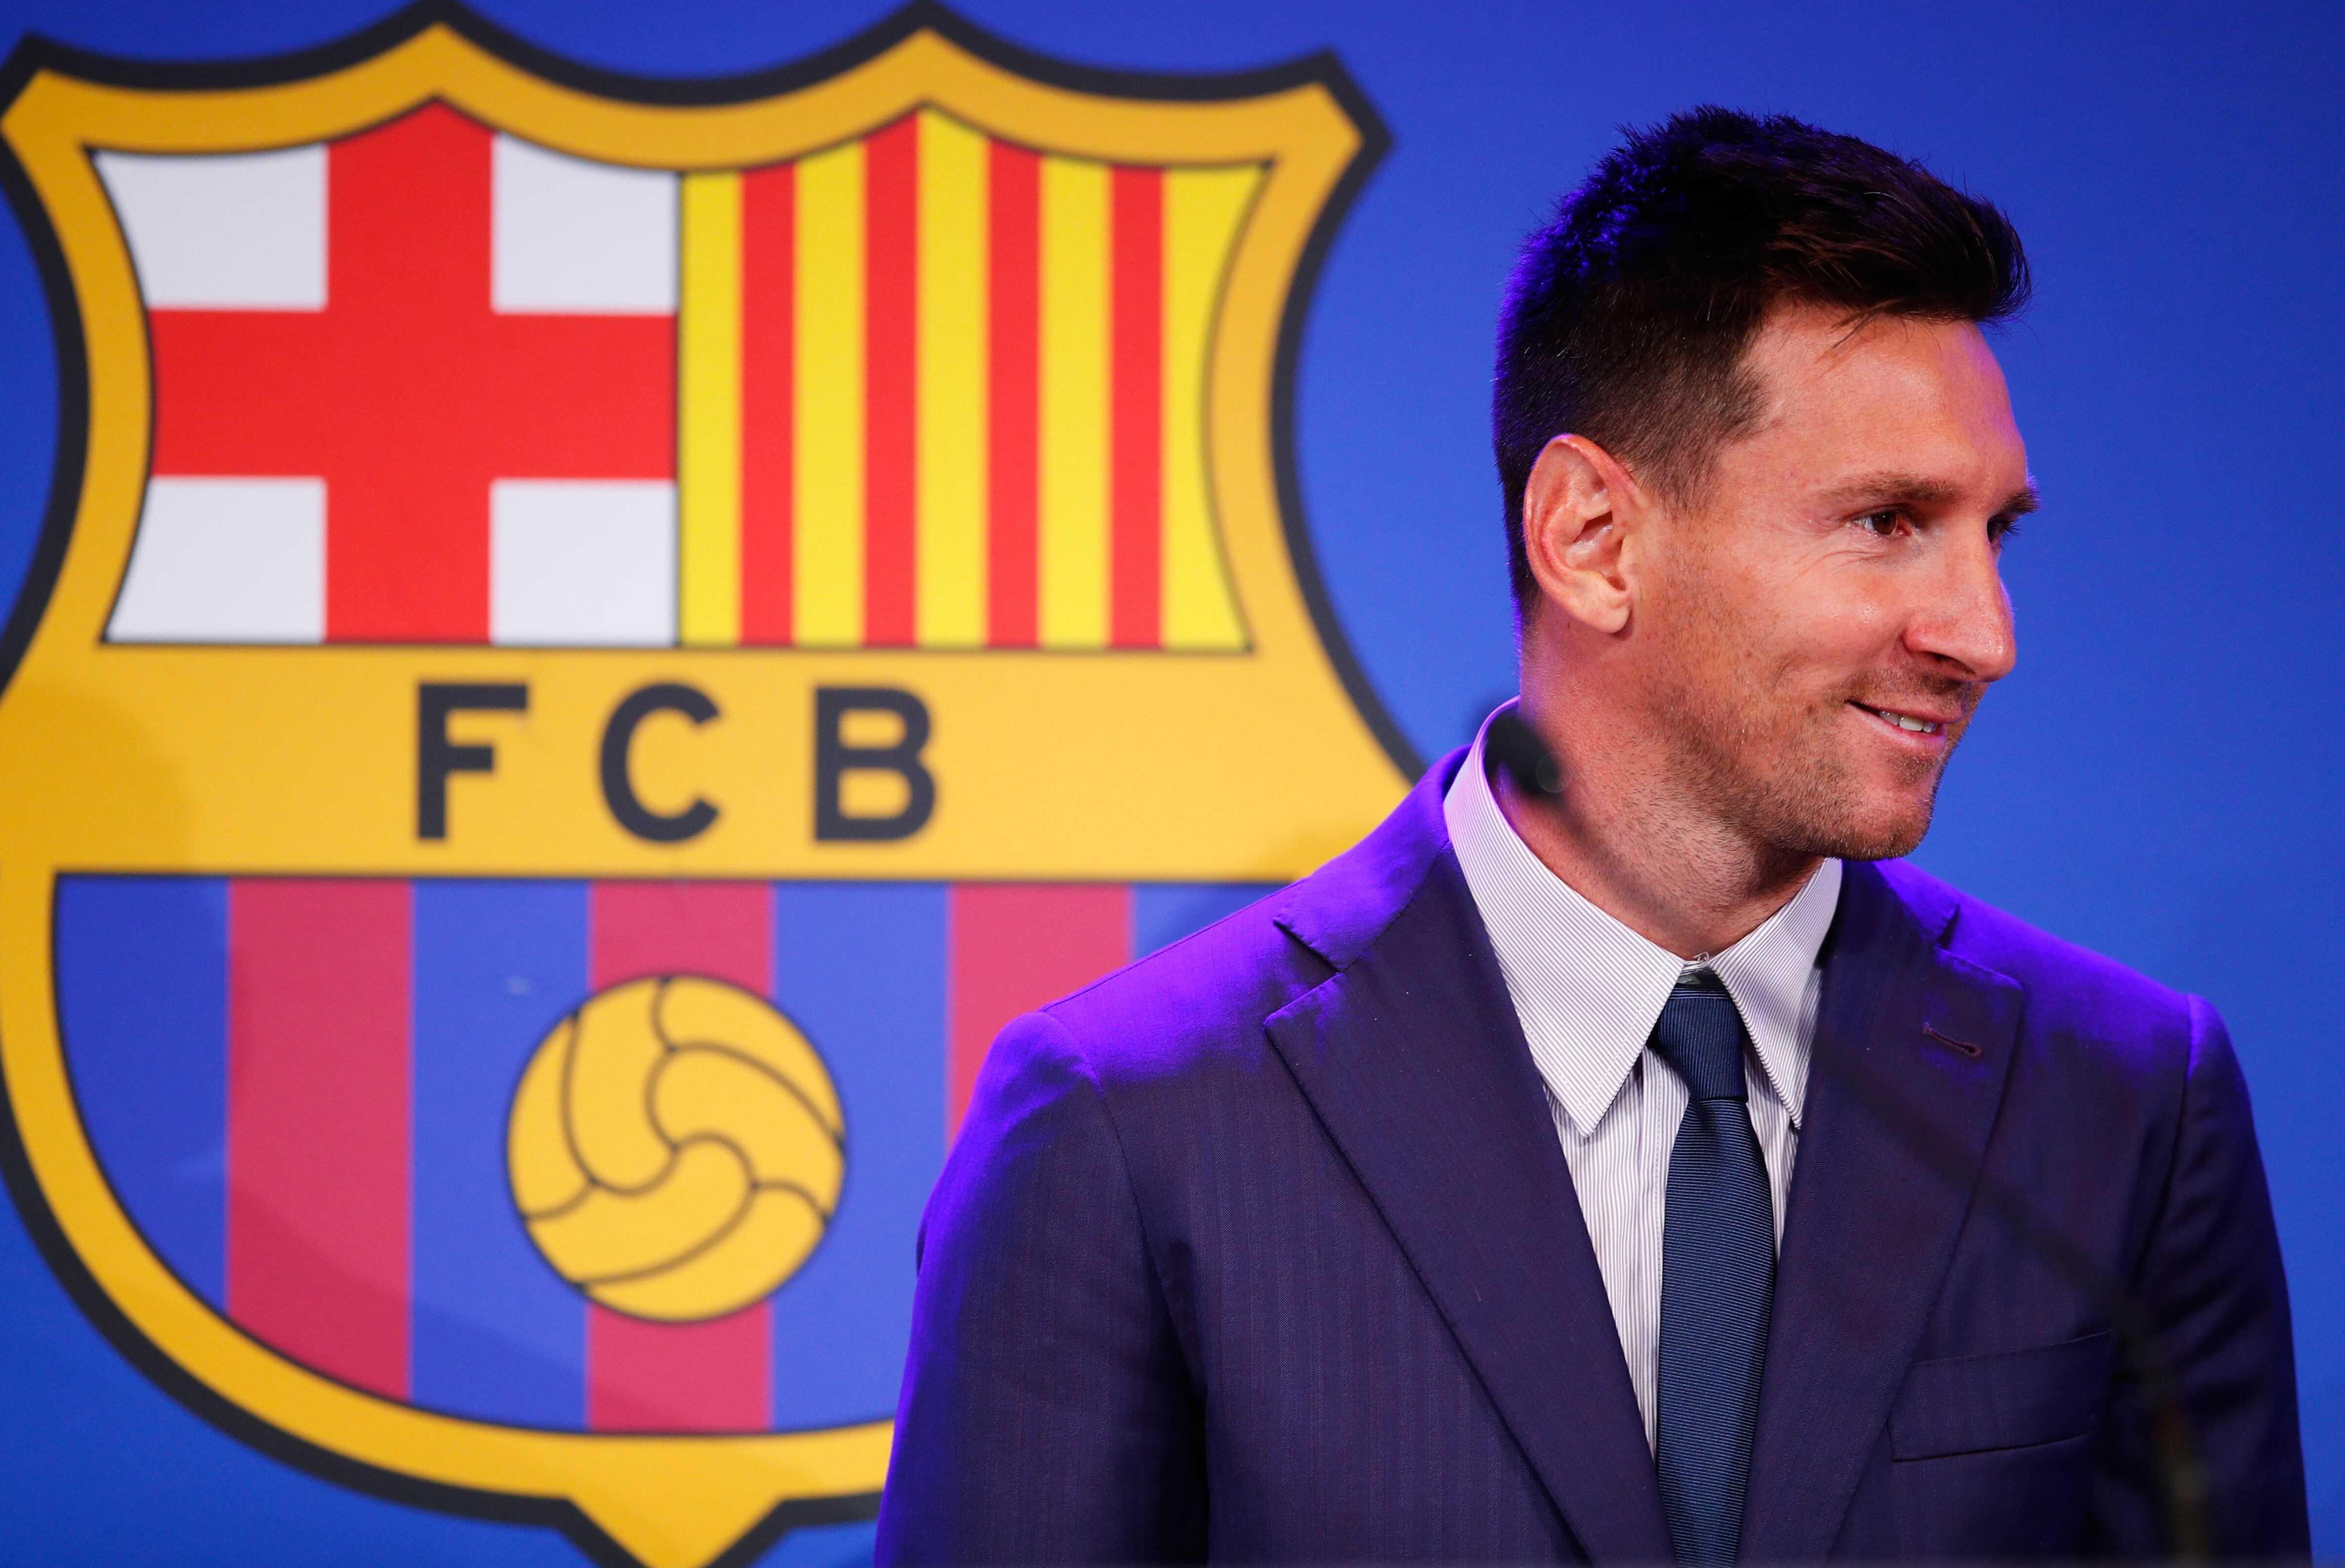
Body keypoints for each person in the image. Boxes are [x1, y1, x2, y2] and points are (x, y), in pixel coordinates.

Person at [873, 108, 2307, 1563]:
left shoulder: (2128, 1104)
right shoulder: (1129, 1119)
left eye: (1994, 533)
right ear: (1592, 540)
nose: (1984, 635)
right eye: (1887, 522)